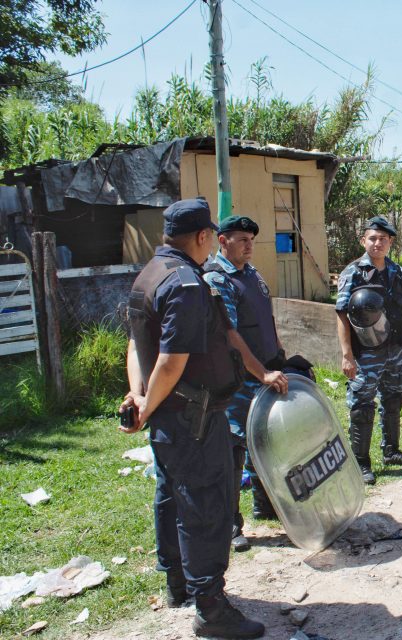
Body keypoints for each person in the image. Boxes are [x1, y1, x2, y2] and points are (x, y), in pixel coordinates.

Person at [119, 198, 265, 639]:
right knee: (205, 504)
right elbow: (170, 359)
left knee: (172, 496)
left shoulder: (149, 274)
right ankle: (211, 607)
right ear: (203, 237)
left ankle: (178, 584)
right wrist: (146, 402)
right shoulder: (184, 284)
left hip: (168, 415)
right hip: (193, 417)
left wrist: (140, 395)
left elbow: (134, 347)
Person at [202, 215, 289, 553]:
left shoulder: (251, 274)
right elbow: (231, 336)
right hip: (240, 378)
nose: (249, 244)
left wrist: (279, 356)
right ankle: (231, 525)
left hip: (265, 370)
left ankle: (265, 505)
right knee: (234, 449)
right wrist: (260, 372)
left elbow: (265, 319)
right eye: (241, 239)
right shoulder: (218, 279)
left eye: (251, 238)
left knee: (263, 441)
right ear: (222, 241)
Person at [336, 215, 402, 485]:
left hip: (396, 349)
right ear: (363, 241)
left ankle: (392, 451)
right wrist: (347, 355)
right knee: (362, 405)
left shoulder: (397, 272)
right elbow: (341, 314)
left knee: (393, 399)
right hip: (367, 353)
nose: (378, 243)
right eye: (373, 238)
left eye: (383, 239)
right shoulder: (353, 273)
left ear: (390, 242)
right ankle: (361, 462)